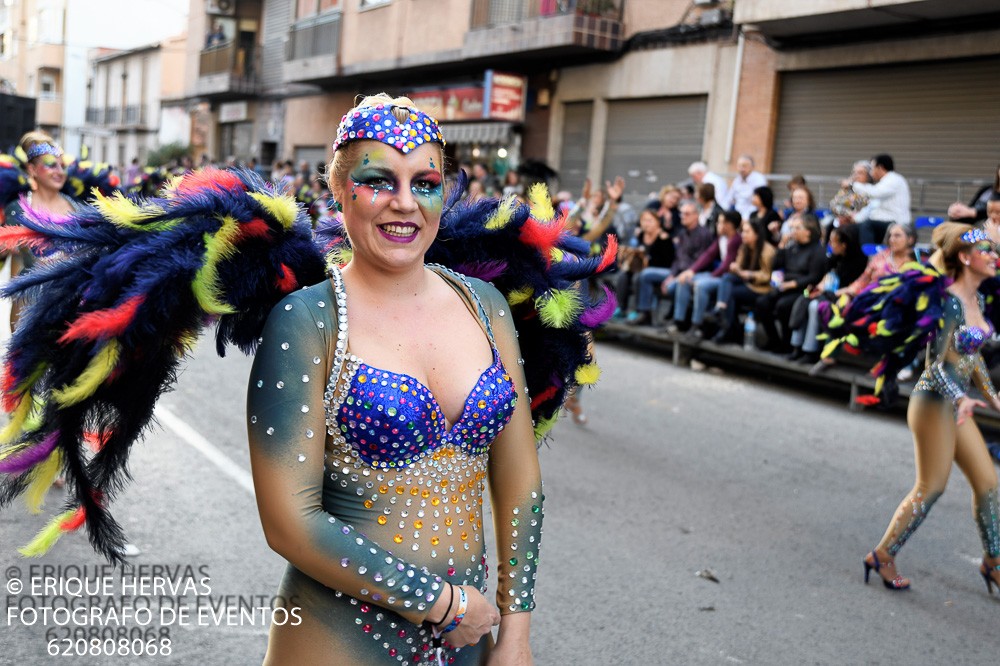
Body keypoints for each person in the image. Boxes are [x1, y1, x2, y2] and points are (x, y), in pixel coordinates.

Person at [246, 94, 542, 663]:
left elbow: (520, 479)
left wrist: (517, 629)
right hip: (338, 638)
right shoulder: (307, 321)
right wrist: (442, 604)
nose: (404, 204)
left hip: (469, 641)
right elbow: (289, 523)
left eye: (424, 183)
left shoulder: (485, 305)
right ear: (338, 189)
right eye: (379, 181)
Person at [847, 223, 1000, 594]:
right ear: (964, 258)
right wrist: (962, 397)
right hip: (933, 401)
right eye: (988, 251)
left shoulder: (977, 301)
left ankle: (994, 562)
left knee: (988, 484)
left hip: (955, 405)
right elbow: (935, 366)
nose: (996, 257)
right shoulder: (947, 300)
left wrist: (993, 396)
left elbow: (971, 357)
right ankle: (882, 554)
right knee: (931, 487)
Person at [2, 132, 80, 329]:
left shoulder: (77, 209)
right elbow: (12, 263)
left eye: (62, 166)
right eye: (51, 165)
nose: (59, 171)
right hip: (29, 312)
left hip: (69, 310)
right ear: (32, 169)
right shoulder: (18, 208)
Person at [786, 225, 866, 363]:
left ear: (844, 245)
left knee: (815, 306)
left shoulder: (859, 261)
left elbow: (853, 288)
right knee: (804, 299)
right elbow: (826, 278)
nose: (830, 245)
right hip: (827, 294)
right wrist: (817, 289)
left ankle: (810, 350)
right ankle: (796, 346)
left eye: (833, 242)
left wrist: (829, 292)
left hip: (844, 298)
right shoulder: (834, 258)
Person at [628, 200, 713, 327]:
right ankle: (645, 312)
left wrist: (679, 275)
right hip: (676, 271)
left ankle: (679, 322)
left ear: (696, 215)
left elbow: (700, 262)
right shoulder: (683, 233)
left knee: (676, 284)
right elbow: (677, 260)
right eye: (682, 214)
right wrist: (671, 275)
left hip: (694, 273)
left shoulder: (704, 234)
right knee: (645, 274)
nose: (683, 216)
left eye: (687, 214)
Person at [753, 212, 826, 353]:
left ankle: (787, 344)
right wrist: (781, 245)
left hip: (804, 290)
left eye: (797, 228)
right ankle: (774, 340)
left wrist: (793, 284)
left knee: (783, 306)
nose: (793, 232)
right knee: (762, 303)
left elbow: (814, 276)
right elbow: (775, 265)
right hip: (784, 287)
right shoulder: (792, 247)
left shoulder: (818, 251)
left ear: (808, 231)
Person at [669, 209, 742, 338]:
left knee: (700, 285)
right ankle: (678, 321)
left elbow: (726, 266)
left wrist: (710, 276)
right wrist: (691, 271)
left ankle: (697, 325)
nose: (717, 225)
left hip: (728, 279)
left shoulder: (736, 240)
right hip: (717, 275)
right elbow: (708, 255)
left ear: (729, 225)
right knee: (684, 279)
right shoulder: (721, 238)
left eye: (720, 222)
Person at [713, 217, 776, 343]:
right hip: (746, 282)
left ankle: (727, 327)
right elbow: (738, 267)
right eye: (743, 231)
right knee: (726, 278)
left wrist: (750, 274)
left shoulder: (767, 250)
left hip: (762, 287)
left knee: (731, 293)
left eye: (747, 232)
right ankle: (722, 310)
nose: (743, 234)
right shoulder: (744, 247)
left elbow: (768, 276)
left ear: (757, 234)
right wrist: (735, 268)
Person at [614, 207, 673, 317]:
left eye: (650, 221)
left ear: (657, 222)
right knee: (623, 274)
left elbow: (667, 261)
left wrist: (646, 259)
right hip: (639, 267)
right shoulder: (640, 236)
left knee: (638, 277)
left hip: (655, 269)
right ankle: (621, 307)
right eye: (644, 220)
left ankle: (637, 310)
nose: (646, 224)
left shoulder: (663, 238)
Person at [851, 154, 911, 246]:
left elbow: (874, 194)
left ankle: (871, 257)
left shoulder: (894, 180)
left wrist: (853, 185)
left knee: (867, 225)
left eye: (872, 168)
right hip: (884, 222)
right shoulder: (884, 182)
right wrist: (854, 218)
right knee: (852, 229)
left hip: (896, 222)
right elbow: (873, 206)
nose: (871, 172)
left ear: (880, 167)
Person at [723, 155, 768, 220]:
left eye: (744, 166)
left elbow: (759, 203)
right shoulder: (737, 180)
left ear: (752, 167)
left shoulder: (759, 180)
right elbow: (729, 199)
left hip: (753, 217)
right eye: (739, 166)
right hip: (737, 216)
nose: (741, 169)